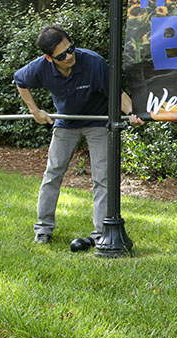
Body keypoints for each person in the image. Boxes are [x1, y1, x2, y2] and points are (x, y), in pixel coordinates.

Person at [13, 25, 143, 249]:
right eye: (62, 55)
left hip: (98, 122)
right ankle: (43, 229)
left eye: (71, 49)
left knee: (102, 178)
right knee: (53, 173)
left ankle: (100, 233)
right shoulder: (40, 68)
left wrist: (132, 112)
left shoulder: (94, 62)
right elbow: (20, 80)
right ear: (49, 57)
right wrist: (34, 111)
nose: (69, 56)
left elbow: (117, 92)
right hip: (66, 122)